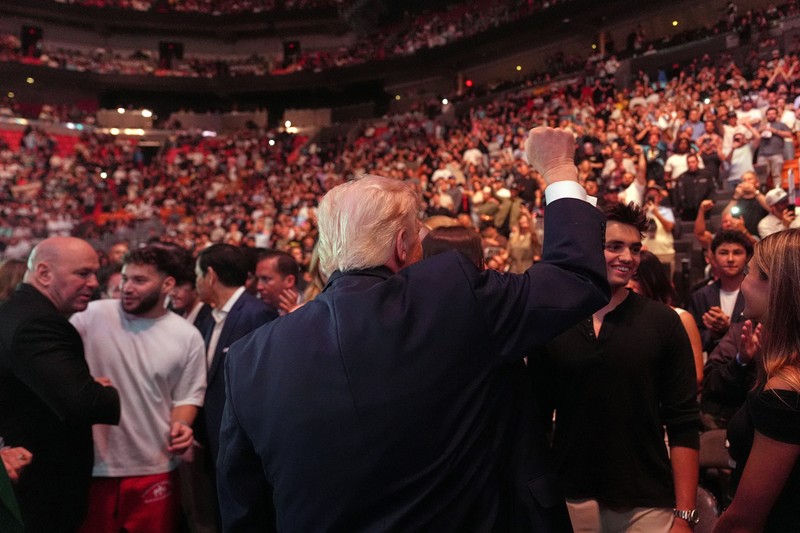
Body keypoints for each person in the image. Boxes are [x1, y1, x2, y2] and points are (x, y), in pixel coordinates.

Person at [216, 127, 610, 532]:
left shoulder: (250, 358)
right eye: (419, 236)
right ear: (402, 245)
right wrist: (559, 168)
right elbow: (574, 279)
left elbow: (244, 510)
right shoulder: (450, 294)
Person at [530, 202, 700, 533]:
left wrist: (685, 516)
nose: (628, 257)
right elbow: (536, 419)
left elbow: (684, 424)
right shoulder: (554, 322)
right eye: (615, 246)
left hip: (647, 501)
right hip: (570, 499)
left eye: (635, 249)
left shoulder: (664, 322)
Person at [71, 245, 206, 533]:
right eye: (125, 278)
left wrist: (182, 424)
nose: (127, 288)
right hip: (92, 467)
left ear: (168, 284)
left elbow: (188, 394)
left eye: (139, 280)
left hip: (154, 466)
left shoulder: (187, 336)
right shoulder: (89, 316)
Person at [0, 236, 121, 532]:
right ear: (43, 273)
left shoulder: (21, 310)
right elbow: (83, 403)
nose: (93, 283)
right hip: (40, 484)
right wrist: (105, 392)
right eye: (82, 273)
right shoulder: (38, 323)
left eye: (95, 273)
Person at [714, 229, 800, 532]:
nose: (742, 283)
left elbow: (744, 520)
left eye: (749, 272)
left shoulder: (785, 389)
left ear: (773, 285)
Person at [628, 250, 704, 388]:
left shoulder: (681, 318)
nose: (628, 285)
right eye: (625, 276)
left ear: (652, 279)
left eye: (636, 278)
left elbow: (696, 375)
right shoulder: (615, 318)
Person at [688, 230, 752, 354]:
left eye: (737, 253)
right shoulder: (700, 296)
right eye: (723, 253)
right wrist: (713, 333)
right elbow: (692, 338)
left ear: (747, 257)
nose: (730, 259)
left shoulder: (757, 293)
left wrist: (728, 328)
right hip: (713, 365)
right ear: (713, 257)